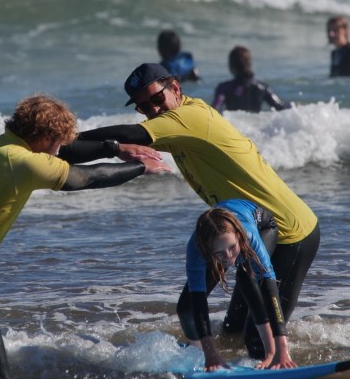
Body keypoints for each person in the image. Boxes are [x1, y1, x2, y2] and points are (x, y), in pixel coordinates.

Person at [0, 94, 170, 379]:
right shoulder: (22, 164)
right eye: (58, 143)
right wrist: (142, 167)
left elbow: (65, 155)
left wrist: (115, 148)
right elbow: (88, 177)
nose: (59, 151)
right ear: (44, 137)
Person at [71, 63, 320, 354]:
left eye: (156, 99)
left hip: (291, 233)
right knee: (227, 329)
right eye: (143, 107)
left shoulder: (188, 116)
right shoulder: (179, 120)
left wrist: (67, 141)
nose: (153, 110)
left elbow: (130, 135)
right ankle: (206, 363)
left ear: (175, 87)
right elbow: (120, 143)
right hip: (246, 227)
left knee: (257, 340)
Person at [178, 200, 297, 371]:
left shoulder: (248, 236)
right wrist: (210, 353)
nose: (228, 257)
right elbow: (198, 302)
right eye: (219, 253)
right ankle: (200, 353)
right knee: (186, 306)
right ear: (207, 250)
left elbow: (269, 290)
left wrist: (282, 350)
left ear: (238, 237)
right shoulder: (196, 248)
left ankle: (270, 352)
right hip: (218, 233)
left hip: (264, 225)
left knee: (246, 275)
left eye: (232, 248)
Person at [212, 46, 291, 113]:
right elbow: (281, 107)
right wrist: (296, 107)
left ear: (231, 66)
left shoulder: (224, 88)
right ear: (249, 64)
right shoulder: (262, 87)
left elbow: (214, 110)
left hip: (234, 127)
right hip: (256, 128)